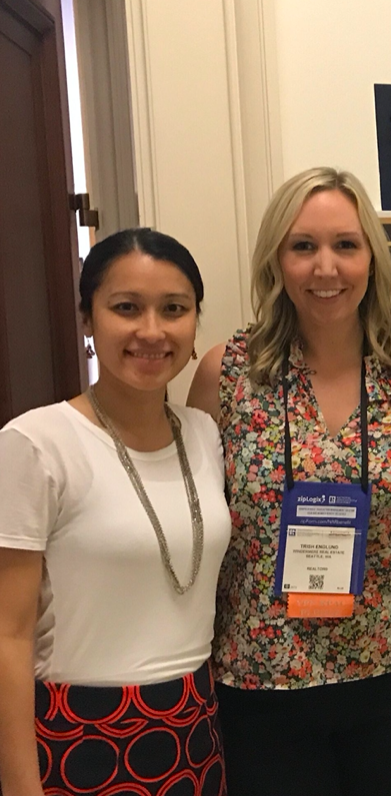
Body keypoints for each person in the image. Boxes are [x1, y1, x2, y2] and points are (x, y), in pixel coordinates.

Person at [188, 167, 391, 796]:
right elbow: (199, 536)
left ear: (372, 258)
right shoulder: (228, 375)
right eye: (304, 246)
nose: (326, 268)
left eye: (345, 245)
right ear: (277, 259)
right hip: (260, 685)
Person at [0, 229, 231, 796]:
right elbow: (9, 635)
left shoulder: (204, 433)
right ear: (88, 318)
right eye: (126, 307)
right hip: (76, 733)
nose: (151, 331)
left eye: (173, 309)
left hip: (194, 728)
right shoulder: (35, 443)